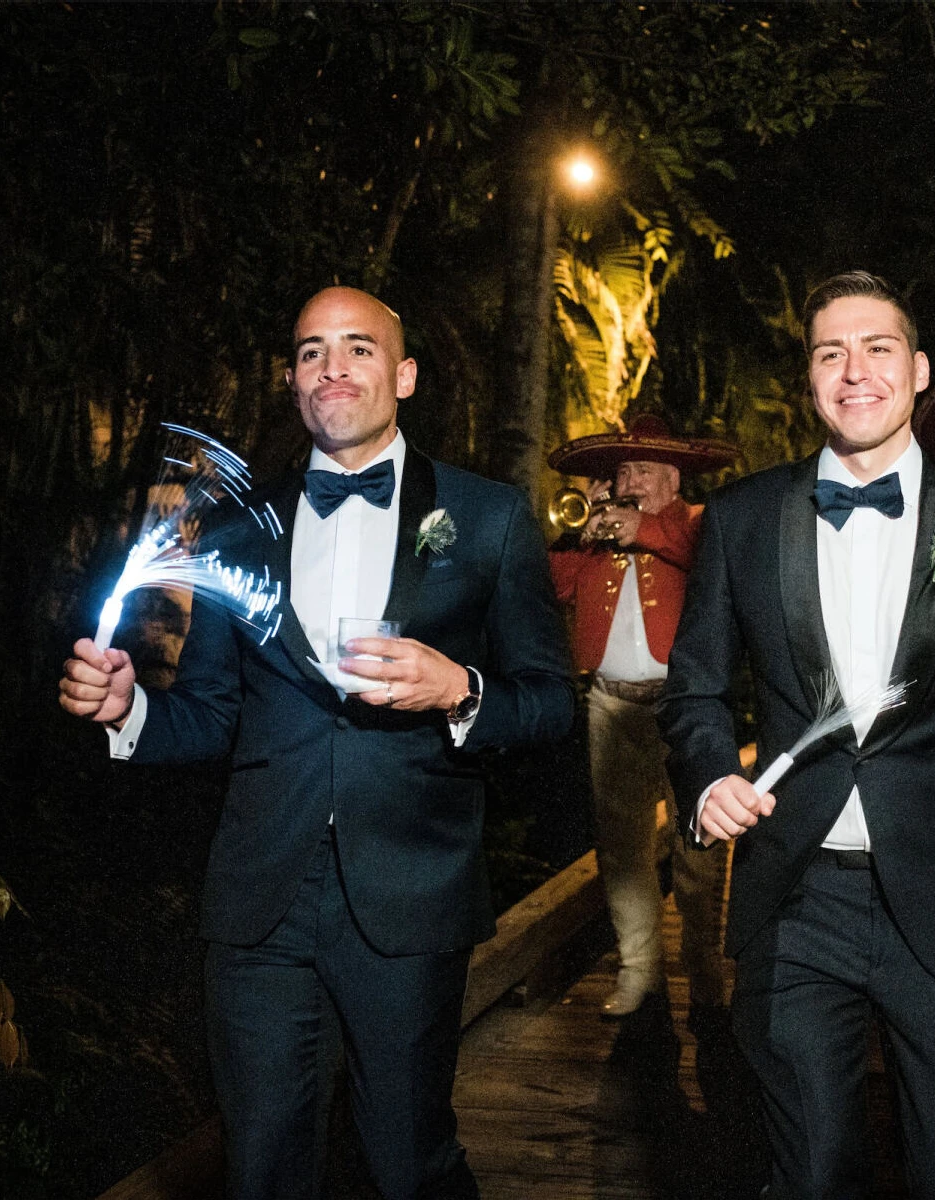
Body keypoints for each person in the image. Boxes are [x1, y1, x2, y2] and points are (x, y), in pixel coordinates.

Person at [58, 286, 574, 1200]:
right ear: (293, 379)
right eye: (309, 351)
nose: (332, 367)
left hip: (410, 900)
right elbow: (214, 715)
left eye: (359, 348)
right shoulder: (239, 526)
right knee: (261, 1166)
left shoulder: (488, 518)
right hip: (261, 902)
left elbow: (548, 706)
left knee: (406, 1158)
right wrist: (129, 710)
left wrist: (459, 689)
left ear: (405, 374)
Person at [658, 272, 935, 1199]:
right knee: (810, 1172)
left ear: (917, 372)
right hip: (797, 899)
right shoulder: (743, 518)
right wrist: (709, 780)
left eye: (876, 349)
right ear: (811, 380)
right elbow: (696, 691)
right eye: (831, 353)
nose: (854, 370)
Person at [547, 415, 738, 1020]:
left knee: (701, 845)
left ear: (672, 477)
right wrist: (584, 534)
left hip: (686, 707)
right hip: (609, 703)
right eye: (622, 470)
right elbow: (550, 588)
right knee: (622, 848)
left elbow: (705, 561)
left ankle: (705, 968)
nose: (627, 479)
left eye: (642, 469)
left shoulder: (701, 522)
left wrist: (643, 527)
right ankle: (640, 972)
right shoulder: (596, 527)